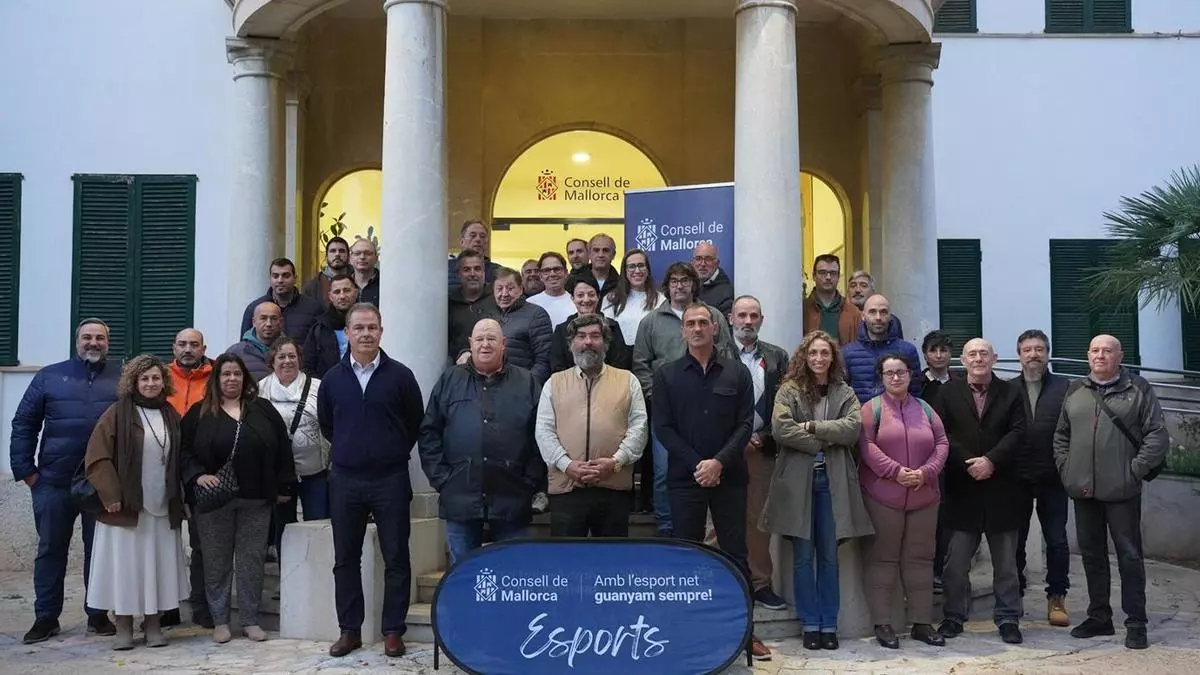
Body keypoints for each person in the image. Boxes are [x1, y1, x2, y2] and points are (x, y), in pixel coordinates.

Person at [652, 303, 769, 660]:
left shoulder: (736, 373)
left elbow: (745, 425)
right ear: (683, 330)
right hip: (685, 479)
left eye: (704, 322)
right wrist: (698, 465)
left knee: (736, 554)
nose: (697, 328)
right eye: (691, 323)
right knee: (686, 555)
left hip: (729, 476)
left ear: (715, 328)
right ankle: (687, 631)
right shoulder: (667, 375)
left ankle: (745, 631)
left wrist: (718, 462)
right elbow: (663, 428)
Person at [318, 303, 424, 659]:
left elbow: (414, 422)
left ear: (381, 331)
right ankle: (349, 631)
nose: (366, 334)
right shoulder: (332, 379)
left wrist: (389, 450)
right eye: (359, 328)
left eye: (372, 327)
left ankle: (393, 631)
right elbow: (327, 424)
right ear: (347, 333)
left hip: (390, 478)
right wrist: (351, 449)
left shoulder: (401, 376)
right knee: (345, 559)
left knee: (397, 557)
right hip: (345, 479)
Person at [1054, 334, 1167, 651]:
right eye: (1094, 350)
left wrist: (1135, 470)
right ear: (1087, 355)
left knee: (1129, 556)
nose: (1100, 355)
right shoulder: (1075, 390)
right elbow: (1061, 435)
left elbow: (1157, 434)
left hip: (1122, 490)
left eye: (1107, 350)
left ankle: (1136, 622)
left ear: (1120, 356)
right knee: (1092, 555)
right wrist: (1067, 469)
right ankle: (1099, 617)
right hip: (1083, 489)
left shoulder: (1138, 389)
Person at [763, 330, 873, 652]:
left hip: (833, 483)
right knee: (802, 558)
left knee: (829, 557)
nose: (819, 358)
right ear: (804, 357)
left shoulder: (844, 391)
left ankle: (829, 624)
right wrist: (823, 442)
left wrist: (812, 427)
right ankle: (810, 623)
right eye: (813, 353)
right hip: (798, 482)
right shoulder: (789, 390)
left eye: (825, 353)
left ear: (833, 357)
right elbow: (781, 429)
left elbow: (852, 429)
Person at [10, 318, 119, 643]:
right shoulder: (49, 376)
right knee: (50, 550)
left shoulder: (122, 376)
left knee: (99, 552)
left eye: (100, 338)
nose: (93, 343)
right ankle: (46, 618)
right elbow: (24, 422)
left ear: (107, 342)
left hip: (100, 483)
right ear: (77, 341)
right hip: (53, 482)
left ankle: (97, 614)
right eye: (87, 337)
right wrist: (26, 471)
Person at [181, 353, 296, 644]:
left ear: (245, 378)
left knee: (251, 561)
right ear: (216, 379)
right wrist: (197, 476)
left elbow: (282, 448)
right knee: (216, 562)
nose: (232, 379)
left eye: (237, 374)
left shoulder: (263, 410)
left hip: (256, 499)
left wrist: (284, 486)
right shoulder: (198, 413)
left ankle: (250, 620)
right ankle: (220, 621)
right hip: (214, 500)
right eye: (226, 374)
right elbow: (184, 453)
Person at [83, 355, 190, 650]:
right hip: (126, 509)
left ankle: (153, 623)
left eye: (156, 378)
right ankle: (124, 626)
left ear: (164, 382)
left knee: (155, 566)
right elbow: (97, 456)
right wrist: (111, 495)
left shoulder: (170, 414)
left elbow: (180, 458)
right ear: (133, 382)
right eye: (144, 378)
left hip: (161, 505)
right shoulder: (117, 413)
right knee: (126, 568)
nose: (151, 383)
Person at [419, 319, 543, 563]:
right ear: (470, 343)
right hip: (460, 496)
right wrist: (443, 479)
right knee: (463, 574)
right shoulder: (449, 380)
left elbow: (540, 435)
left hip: (512, 496)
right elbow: (429, 432)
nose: (485, 344)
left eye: (491, 339)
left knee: (514, 574)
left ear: (503, 343)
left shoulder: (526, 382)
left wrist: (529, 481)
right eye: (479, 339)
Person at [934, 338, 1028, 644]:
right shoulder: (948, 393)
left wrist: (991, 461)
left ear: (994, 358)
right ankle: (953, 615)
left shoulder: (1013, 391)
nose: (978, 358)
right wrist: (968, 463)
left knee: (1007, 564)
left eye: (983, 354)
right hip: (962, 489)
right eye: (972, 354)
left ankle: (1008, 617)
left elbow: (1019, 432)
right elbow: (941, 433)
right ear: (963, 360)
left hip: (1002, 488)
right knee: (955, 563)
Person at [632, 262, 733, 537]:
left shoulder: (713, 316)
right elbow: (641, 364)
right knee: (664, 470)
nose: (680, 286)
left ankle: (706, 532)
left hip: (710, 409)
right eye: (674, 281)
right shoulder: (651, 321)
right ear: (667, 286)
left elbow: (728, 356)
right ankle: (667, 527)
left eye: (685, 280)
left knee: (707, 466)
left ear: (694, 285)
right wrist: (656, 395)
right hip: (667, 410)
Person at [859, 354, 949, 649]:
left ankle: (922, 623)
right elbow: (866, 446)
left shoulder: (925, 408)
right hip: (883, 497)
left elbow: (942, 443)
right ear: (881, 377)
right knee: (882, 559)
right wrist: (896, 472)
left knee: (921, 560)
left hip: (924, 496)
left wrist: (927, 472)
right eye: (890, 373)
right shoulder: (871, 409)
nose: (896, 377)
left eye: (901, 372)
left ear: (911, 375)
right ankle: (883, 624)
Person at [536, 315, 647, 537]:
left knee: (611, 557)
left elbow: (639, 428)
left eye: (595, 336)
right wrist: (567, 465)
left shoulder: (628, 380)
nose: (588, 342)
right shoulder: (554, 383)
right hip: (567, 488)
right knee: (566, 557)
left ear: (605, 343)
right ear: (571, 343)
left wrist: (615, 463)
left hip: (613, 487)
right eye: (581, 336)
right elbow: (544, 431)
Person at [722, 296, 789, 612]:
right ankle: (720, 582)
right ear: (730, 318)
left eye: (753, 316)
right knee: (716, 521)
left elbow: (787, 404)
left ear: (762, 320)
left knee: (759, 520)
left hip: (762, 449)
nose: (747, 322)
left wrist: (764, 437)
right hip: (723, 451)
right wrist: (734, 440)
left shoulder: (777, 357)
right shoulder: (716, 353)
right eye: (742, 316)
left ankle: (760, 583)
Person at [1012, 329, 1072, 627]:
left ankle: (1057, 596)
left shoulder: (1066, 388)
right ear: (1019, 355)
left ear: (1048, 353)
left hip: (1054, 476)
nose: (1033, 355)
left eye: (1039, 349)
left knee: (1057, 541)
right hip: (1017, 476)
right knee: (1015, 539)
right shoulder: (1007, 389)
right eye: (1027, 350)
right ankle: (1015, 594)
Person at [602, 248, 661, 514]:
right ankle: (620, 494)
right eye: (631, 266)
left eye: (641, 266)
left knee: (646, 433)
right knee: (619, 432)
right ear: (624, 271)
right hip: (619, 368)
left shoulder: (660, 300)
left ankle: (648, 499)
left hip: (648, 370)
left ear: (648, 269)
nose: (636, 271)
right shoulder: (611, 300)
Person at [260, 338, 330, 555]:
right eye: (281, 356)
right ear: (272, 361)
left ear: (300, 359)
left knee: (318, 526)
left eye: (292, 356)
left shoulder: (319, 387)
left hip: (315, 472)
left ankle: (318, 572)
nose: (287, 361)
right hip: (279, 476)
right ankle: (286, 573)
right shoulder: (260, 389)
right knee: (284, 529)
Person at [166, 327, 213, 628]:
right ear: (174, 347)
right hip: (163, 468)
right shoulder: (160, 377)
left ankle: (201, 605)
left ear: (203, 348)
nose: (187, 349)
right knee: (162, 541)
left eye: (194, 345)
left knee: (201, 543)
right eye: (182, 344)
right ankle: (166, 605)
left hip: (199, 469)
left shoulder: (215, 377)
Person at [470, 266, 552, 384]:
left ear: (521, 289)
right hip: (486, 385)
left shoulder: (536, 314)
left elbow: (544, 360)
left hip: (521, 384)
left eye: (510, 288)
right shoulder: (486, 314)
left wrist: (528, 384)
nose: (504, 294)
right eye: (499, 289)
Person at [843, 294, 921, 403]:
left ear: (890, 316)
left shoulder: (908, 351)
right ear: (863, 316)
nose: (878, 317)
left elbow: (915, 395)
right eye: (872, 312)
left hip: (898, 413)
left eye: (883, 312)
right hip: (860, 413)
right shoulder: (847, 353)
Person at [549, 275, 629, 373]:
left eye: (591, 295)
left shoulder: (612, 327)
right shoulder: (562, 330)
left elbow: (621, 364)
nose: (586, 300)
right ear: (572, 298)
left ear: (598, 297)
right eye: (580, 295)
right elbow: (557, 366)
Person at [239, 257, 322, 341]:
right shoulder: (254, 308)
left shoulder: (313, 308)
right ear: (270, 279)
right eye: (275, 276)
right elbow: (245, 344)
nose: (280, 280)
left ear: (295, 279)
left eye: (286, 276)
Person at [303, 273, 359, 378]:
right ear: (330, 297)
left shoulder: (369, 325)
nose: (342, 296)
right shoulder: (320, 328)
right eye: (337, 292)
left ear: (355, 292)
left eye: (347, 290)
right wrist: (322, 385)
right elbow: (307, 365)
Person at [802, 254, 860, 345]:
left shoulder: (853, 313)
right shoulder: (802, 310)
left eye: (833, 273)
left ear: (838, 277)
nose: (828, 277)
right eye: (822, 272)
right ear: (814, 276)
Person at [227, 301, 284, 381]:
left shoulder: (292, 352)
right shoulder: (236, 352)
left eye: (274, 318)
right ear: (254, 322)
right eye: (263, 318)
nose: (268, 324)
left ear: (281, 322)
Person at [526, 251, 577, 328]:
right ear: (540, 276)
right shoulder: (530, 304)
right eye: (546, 270)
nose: (552, 274)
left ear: (566, 273)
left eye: (557, 269)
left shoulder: (578, 302)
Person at [302, 236, 351, 308]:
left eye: (341, 251)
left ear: (348, 255)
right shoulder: (312, 287)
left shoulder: (358, 279)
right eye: (333, 251)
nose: (337, 254)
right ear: (326, 256)